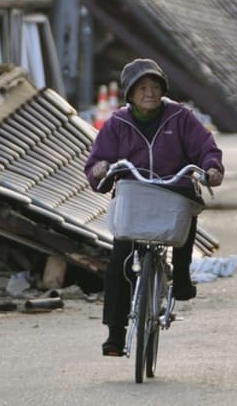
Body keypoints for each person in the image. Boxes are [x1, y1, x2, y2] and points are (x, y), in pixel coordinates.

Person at [84, 58, 224, 357]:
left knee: (187, 212)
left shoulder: (180, 117)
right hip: (134, 195)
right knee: (119, 260)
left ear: (163, 89)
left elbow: (205, 147)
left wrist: (211, 167)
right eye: (142, 88)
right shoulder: (118, 124)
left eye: (155, 87)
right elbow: (97, 161)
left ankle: (181, 275)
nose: (150, 93)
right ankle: (115, 333)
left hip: (173, 189)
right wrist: (99, 170)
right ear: (130, 94)